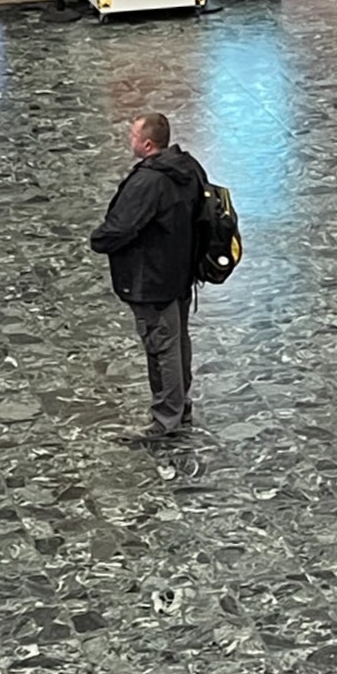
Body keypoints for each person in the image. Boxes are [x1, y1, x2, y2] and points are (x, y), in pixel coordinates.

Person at [89, 112, 204, 440]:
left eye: (133, 135)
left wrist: (98, 240)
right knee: (178, 340)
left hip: (152, 279)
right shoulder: (188, 168)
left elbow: (119, 228)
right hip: (181, 271)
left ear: (148, 144)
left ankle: (166, 418)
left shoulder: (148, 182)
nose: (130, 139)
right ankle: (179, 405)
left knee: (161, 344)